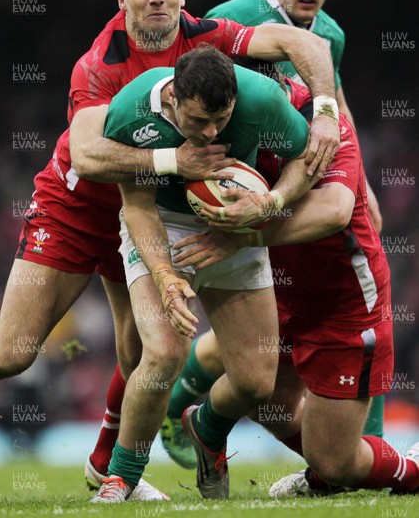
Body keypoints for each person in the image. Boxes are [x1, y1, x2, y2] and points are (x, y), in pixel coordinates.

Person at [0, 0, 338, 482]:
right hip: (78, 208)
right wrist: (177, 161)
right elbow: (87, 153)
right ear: (122, 1)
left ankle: (109, 471)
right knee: (11, 355)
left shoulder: (207, 36)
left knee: (143, 359)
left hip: (148, 211)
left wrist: (322, 110)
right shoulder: (101, 62)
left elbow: (309, 46)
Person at [171, 77, 419, 496]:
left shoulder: (325, 128)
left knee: (336, 460)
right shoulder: (223, 128)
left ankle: (399, 472)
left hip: (344, 302)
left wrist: (245, 233)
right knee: (270, 405)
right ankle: (206, 426)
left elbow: (334, 210)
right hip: (281, 293)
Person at [90, 45, 317, 502]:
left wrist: (269, 204)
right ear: (173, 96)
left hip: (237, 223)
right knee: (162, 355)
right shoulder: (130, 113)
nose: (212, 132)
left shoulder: (261, 100)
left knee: (256, 383)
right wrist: (164, 275)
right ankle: (121, 478)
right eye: (199, 122)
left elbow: (306, 159)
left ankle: (206, 427)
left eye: (222, 119)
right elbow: (135, 206)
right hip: (162, 226)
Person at [195, 0, 385, 453]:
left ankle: (354, 452)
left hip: (286, 194)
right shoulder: (232, 20)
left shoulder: (331, 34)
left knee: (276, 350)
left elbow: (336, 108)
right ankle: (175, 412)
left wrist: (361, 182)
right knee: (171, 325)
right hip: (229, 185)